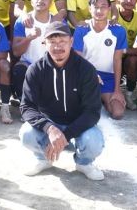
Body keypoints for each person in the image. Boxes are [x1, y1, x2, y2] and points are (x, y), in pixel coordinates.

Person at [19, 21, 104, 180]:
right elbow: (27, 107)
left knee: (93, 141)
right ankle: (43, 158)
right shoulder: (35, 70)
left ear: (71, 42)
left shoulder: (86, 70)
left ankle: (84, 163)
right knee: (26, 134)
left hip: (78, 125)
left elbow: (92, 111)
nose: (57, 46)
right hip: (49, 124)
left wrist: (65, 135)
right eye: (52, 42)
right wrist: (50, 129)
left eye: (62, 41)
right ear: (44, 43)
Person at [71, 0, 127, 119]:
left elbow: (117, 60)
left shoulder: (118, 30)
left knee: (118, 113)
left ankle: (103, 97)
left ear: (109, 9)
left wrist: (117, 90)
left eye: (103, 7)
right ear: (89, 9)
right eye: (95, 7)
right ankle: (96, 98)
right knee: (77, 112)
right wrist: (91, 75)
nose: (99, 11)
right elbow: (77, 59)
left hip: (108, 77)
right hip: (86, 76)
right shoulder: (81, 29)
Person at [11, 0, 55, 100]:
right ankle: (24, 103)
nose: (40, 0)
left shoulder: (57, 22)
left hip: (50, 65)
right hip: (28, 64)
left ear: (50, 2)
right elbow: (16, 52)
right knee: (19, 70)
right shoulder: (22, 21)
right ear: (31, 2)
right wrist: (29, 38)